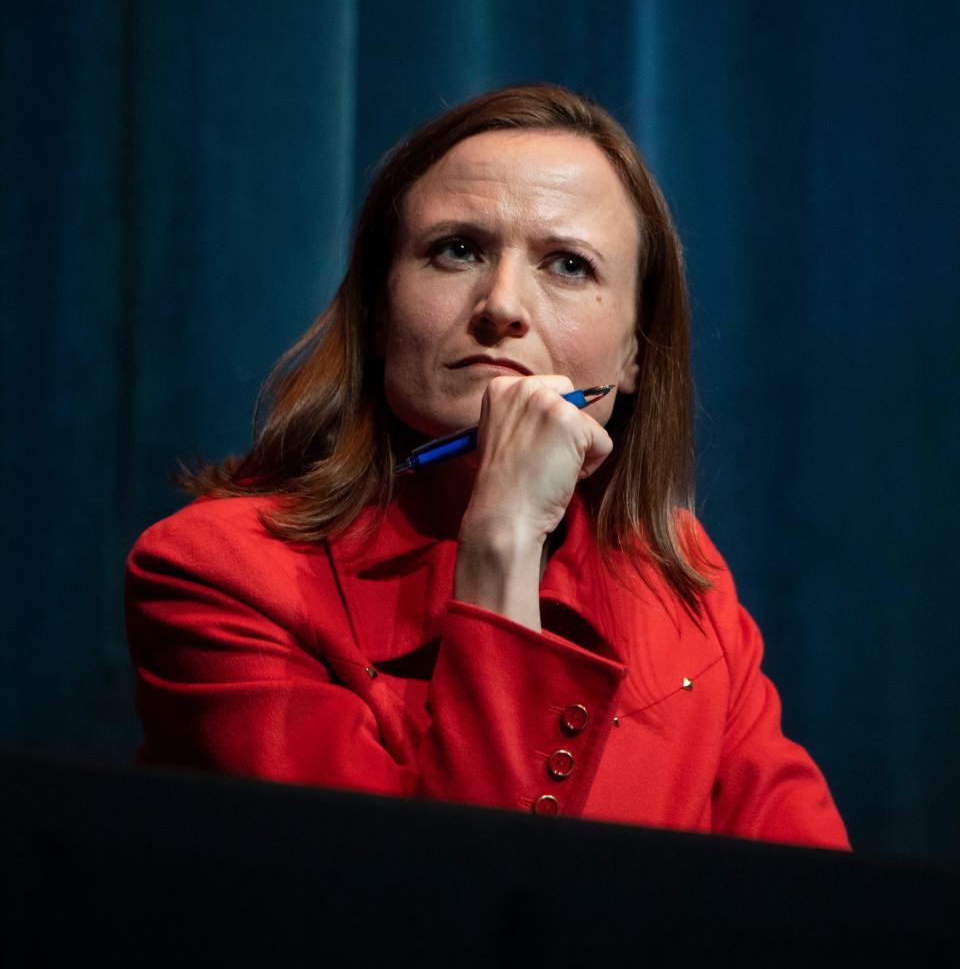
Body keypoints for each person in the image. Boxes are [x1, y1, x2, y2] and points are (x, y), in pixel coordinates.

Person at [125, 82, 850, 848]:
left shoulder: (686, 585)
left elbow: (809, 915)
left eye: (568, 265)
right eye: (457, 250)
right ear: (378, 308)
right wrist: (503, 537)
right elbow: (445, 919)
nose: (501, 304)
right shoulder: (215, 573)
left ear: (636, 354)